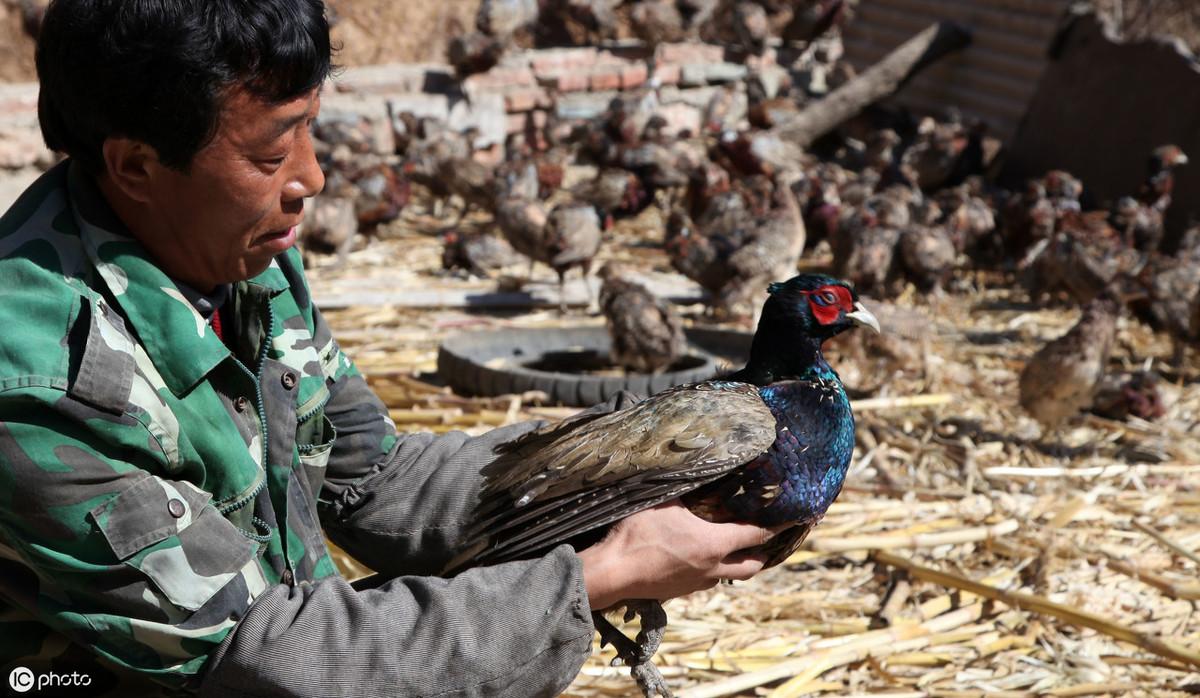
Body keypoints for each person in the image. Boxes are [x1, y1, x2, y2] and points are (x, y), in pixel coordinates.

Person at [0, 1, 778, 695]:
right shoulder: (42, 383)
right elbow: (270, 657)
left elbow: (373, 477)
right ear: (136, 166)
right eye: (271, 155)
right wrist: (603, 574)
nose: (313, 176)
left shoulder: (236, 252)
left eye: (311, 129)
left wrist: (626, 468)